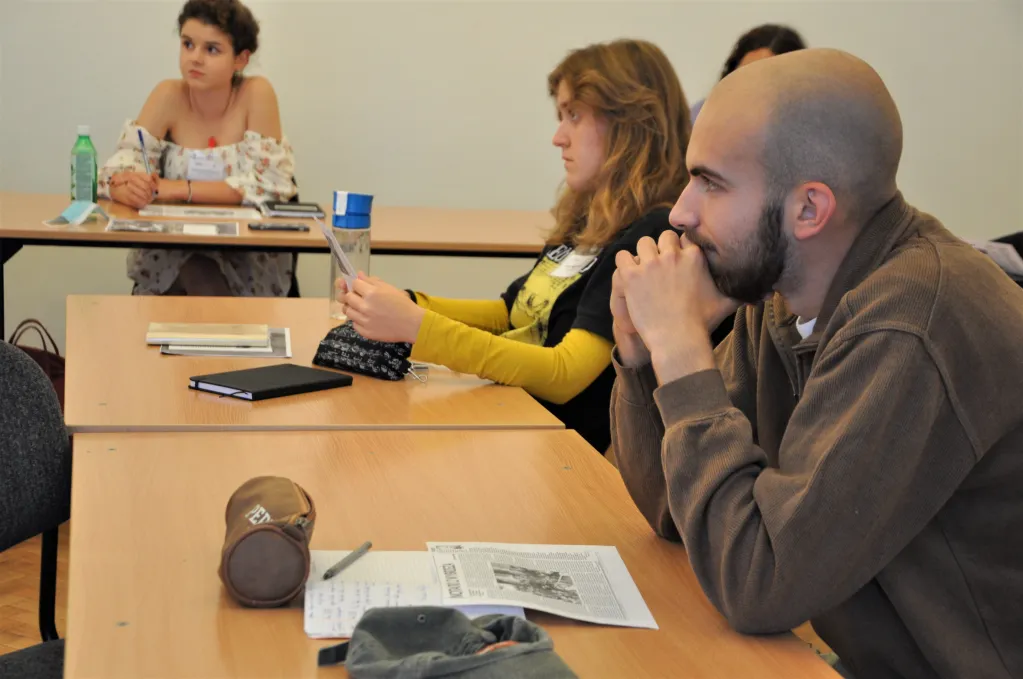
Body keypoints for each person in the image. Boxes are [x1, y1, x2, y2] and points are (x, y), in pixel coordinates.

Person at [609, 47, 1023, 677]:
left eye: (711, 183)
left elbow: (759, 583)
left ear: (809, 209)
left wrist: (683, 352)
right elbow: (680, 513)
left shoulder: (911, 323)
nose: (681, 212)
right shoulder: (786, 295)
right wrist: (644, 357)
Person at [336, 39, 731, 453]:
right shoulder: (590, 214)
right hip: (520, 421)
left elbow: (565, 374)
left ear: (630, 123)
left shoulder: (650, 234)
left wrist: (417, 327)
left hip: (560, 451)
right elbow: (511, 312)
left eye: (574, 116)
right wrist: (407, 302)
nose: (559, 138)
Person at [98, 0, 297, 296]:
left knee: (202, 272)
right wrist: (125, 187)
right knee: (193, 268)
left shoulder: (256, 93)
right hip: (172, 249)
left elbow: (269, 186)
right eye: (188, 44)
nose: (195, 58)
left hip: (245, 257)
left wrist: (176, 189)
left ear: (240, 59)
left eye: (212, 49)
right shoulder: (167, 94)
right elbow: (118, 168)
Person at [689, 24, 805, 124]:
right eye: (743, 77)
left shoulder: (805, 130)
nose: (750, 89)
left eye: (765, 81)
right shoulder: (701, 119)